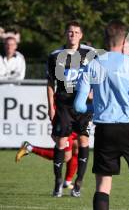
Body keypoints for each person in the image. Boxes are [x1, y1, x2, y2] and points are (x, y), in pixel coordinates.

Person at [74, 20, 129, 210]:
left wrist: (96, 109)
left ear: (106, 41)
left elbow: (79, 106)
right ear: (124, 42)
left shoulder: (92, 66)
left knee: (103, 186)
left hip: (105, 129)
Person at [46, 21, 95, 197]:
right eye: (70, 32)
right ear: (65, 34)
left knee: (83, 142)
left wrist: (93, 93)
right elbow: (51, 83)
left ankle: (78, 184)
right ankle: (58, 183)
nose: (73, 34)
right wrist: (50, 106)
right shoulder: (55, 56)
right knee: (61, 143)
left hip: (84, 107)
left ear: (81, 35)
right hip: (63, 106)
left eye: (76, 32)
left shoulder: (90, 54)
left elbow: (100, 76)